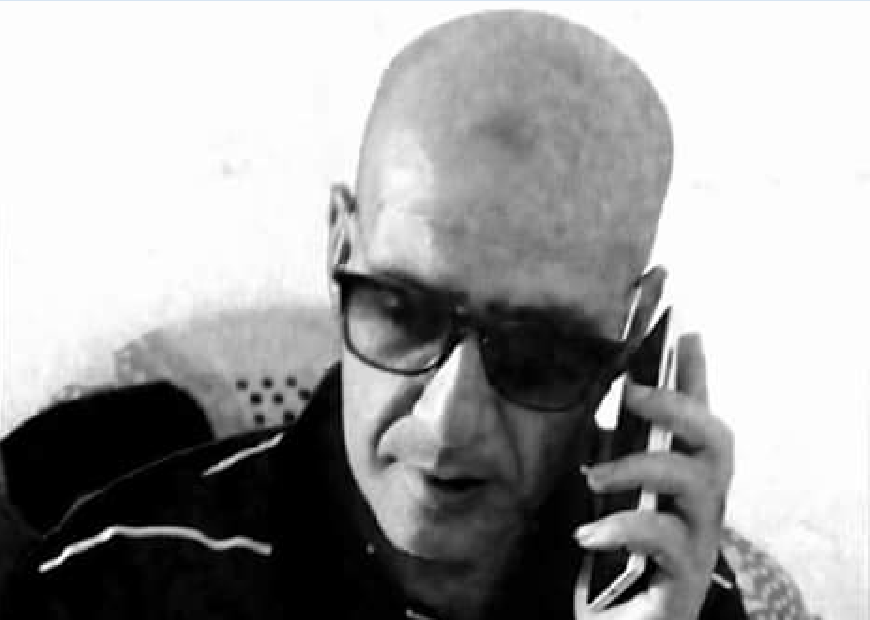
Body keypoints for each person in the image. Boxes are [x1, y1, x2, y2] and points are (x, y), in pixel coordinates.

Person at [1, 10, 745, 620]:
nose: (449, 424)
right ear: (339, 248)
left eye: (538, 351)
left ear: (633, 329)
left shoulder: (669, 591)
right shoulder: (118, 584)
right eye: (404, 312)